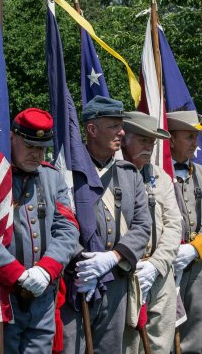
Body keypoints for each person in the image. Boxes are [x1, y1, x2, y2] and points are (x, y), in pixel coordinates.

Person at [0, 108, 79, 353]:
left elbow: (67, 228)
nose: (37, 154)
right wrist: (17, 275)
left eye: (42, 148)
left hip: (43, 294)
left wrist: (47, 269)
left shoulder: (52, 178)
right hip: (1, 293)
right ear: (11, 137)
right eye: (30, 146)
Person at [62, 96, 151, 353]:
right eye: (114, 126)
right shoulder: (67, 171)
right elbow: (60, 224)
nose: (122, 133)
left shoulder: (129, 173)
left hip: (116, 279)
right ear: (92, 130)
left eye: (121, 126)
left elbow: (143, 226)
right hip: (77, 279)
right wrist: (83, 262)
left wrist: (113, 257)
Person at [120, 112, 182, 354]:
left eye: (152, 142)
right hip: (126, 271)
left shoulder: (160, 176)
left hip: (159, 272)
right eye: (143, 140)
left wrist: (157, 264)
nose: (149, 147)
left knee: (160, 344)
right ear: (125, 139)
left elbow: (174, 224)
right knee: (127, 345)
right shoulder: (112, 173)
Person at [166, 110, 202, 354]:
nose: (195, 143)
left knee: (194, 328)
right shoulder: (155, 173)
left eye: (196, 137)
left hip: (199, 262)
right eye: (189, 136)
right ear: (171, 138)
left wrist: (196, 247)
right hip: (167, 262)